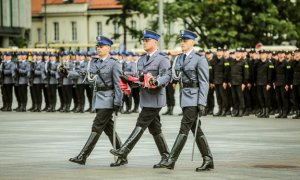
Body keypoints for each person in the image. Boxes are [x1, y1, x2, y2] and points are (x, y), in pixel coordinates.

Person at [110, 30, 171, 168]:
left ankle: (124, 151)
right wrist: (128, 79)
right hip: (145, 97)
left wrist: (156, 81)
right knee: (155, 129)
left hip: (155, 98)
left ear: (155, 42)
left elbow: (167, 76)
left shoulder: (162, 58)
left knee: (141, 122)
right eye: (143, 40)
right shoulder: (142, 59)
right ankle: (166, 156)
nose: (144, 42)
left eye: (147, 40)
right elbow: (139, 77)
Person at [160, 30, 213, 171]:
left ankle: (171, 160)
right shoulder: (179, 58)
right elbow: (172, 76)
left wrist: (202, 102)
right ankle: (208, 159)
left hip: (194, 98)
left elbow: (204, 82)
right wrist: (156, 81)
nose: (182, 42)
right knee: (196, 130)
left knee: (184, 127)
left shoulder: (199, 59)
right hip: (185, 97)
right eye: (181, 40)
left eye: (185, 40)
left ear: (192, 42)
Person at [69, 35, 126, 167]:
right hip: (99, 98)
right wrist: (67, 72)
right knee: (109, 129)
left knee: (97, 125)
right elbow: (85, 73)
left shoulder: (114, 63)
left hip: (108, 98)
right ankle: (122, 155)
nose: (98, 49)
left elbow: (118, 84)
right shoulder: (95, 62)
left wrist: (118, 102)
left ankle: (83, 156)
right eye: (97, 47)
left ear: (108, 48)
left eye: (101, 47)